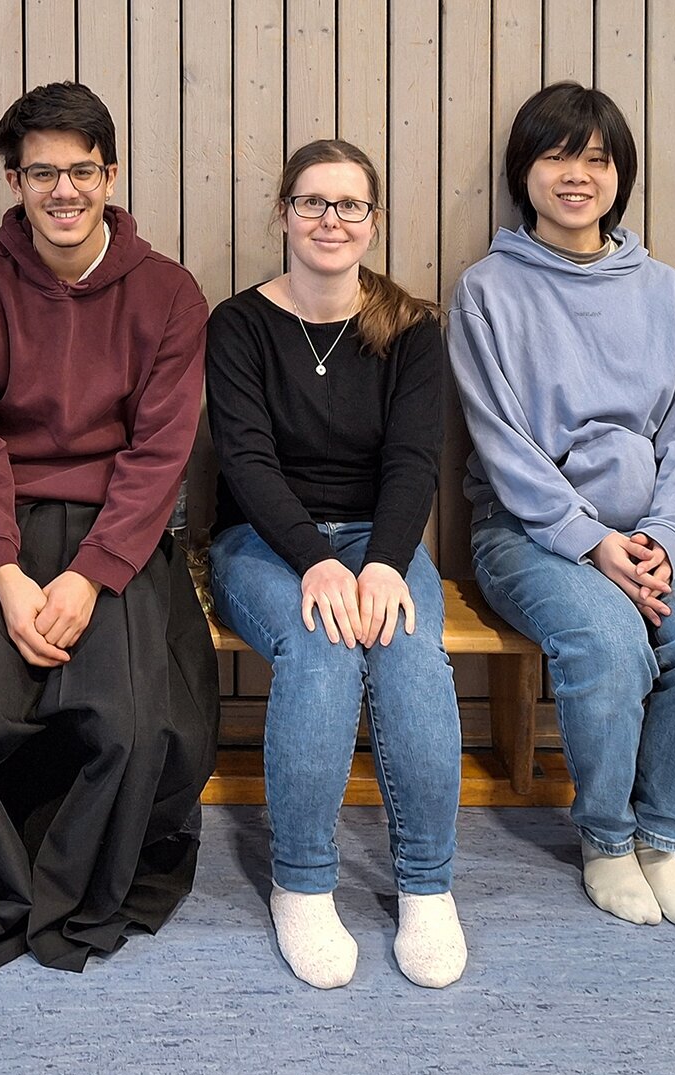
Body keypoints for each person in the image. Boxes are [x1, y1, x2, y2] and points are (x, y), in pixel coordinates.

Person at [0, 81, 218, 972]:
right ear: (15, 181)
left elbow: (160, 453)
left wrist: (89, 574)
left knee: (134, 725)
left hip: (117, 532)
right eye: (42, 173)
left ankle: (78, 893)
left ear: (110, 175)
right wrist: (6, 576)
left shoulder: (168, 293)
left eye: (82, 171)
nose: (64, 191)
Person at [449, 82, 675, 928]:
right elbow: (502, 444)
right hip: (530, 532)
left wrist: (666, 540)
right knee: (611, 646)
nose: (576, 175)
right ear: (523, 172)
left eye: (596, 158)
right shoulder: (486, 290)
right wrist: (591, 541)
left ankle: (660, 838)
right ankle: (608, 841)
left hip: (659, 533)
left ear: (621, 175)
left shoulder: (665, 291)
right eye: (556, 156)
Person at [205, 139, 467, 990]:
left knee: (408, 648)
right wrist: (315, 561)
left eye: (349, 204)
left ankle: (427, 887)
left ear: (373, 221)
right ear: (282, 213)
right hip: (262, 540)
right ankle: (304, 885)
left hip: (379, 538)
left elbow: (414, 462)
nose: (330, 219)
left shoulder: (412, 327)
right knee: (320, 645)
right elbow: (246, 462)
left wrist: (385, 563)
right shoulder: (238, 324)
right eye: (312, 202)